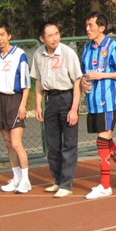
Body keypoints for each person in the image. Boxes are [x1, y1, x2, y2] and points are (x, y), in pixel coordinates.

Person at [81, 12, 116, 199]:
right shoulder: (87, 48)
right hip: (92, 102)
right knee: (107, 140)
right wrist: (84, 81)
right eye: (86, 25)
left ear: (101, 27)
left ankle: (105, 185)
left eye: (91, 25)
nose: (87, 29)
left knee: (102, 140)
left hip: (108, 102)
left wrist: (102, 75)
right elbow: (84, 73)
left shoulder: (113, 47)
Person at [30, 22, 83, 198]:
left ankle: (67, 184)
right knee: (52, 145)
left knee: (69, 144)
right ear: (42, 38)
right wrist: (38, 105)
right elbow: (38, 81)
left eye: (57, 33)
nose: (55, 38)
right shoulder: (38, 54)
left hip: (67, 98)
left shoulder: (68, 53)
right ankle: (58, 180)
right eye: (50, 35)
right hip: (50, 99)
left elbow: (77, 82)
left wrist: (74, 109)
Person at [0, 21, 32, 194]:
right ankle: (16, 178)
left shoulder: (19, 55)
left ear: (9, 36)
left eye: (2, 35)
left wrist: (23, 105)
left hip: (14, 99)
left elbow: (26, 84)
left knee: (16, 143)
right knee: (8, 143)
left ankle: (26, 180)